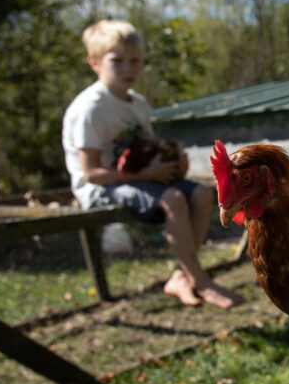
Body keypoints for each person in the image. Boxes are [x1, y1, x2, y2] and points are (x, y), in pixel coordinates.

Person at [62, 19, 244, 309]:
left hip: (140, 179)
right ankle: (202, 281)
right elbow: (91, 173)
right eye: (117, 61)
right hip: (99, 188)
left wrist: (174, 162)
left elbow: (144, 151)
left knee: (200, 193)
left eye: (135, 61)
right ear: (94, 62)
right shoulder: (90, 109)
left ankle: (181, 277)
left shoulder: (139, 104)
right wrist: (148, 173)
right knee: (173, 197)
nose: (128, 69)